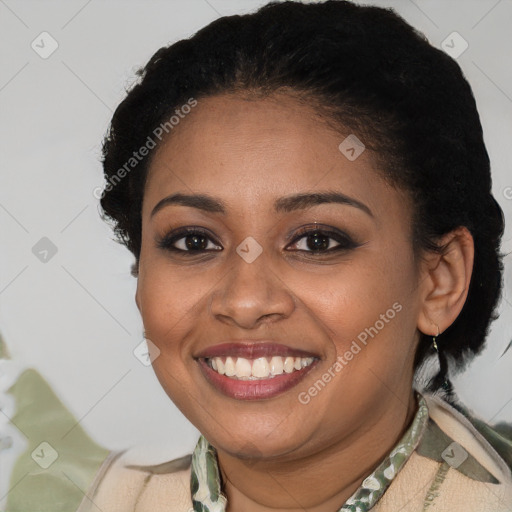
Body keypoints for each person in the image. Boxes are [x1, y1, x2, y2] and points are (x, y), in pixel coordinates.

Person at [77, 1, 512, 510]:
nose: (244, 302)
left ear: (439, 280)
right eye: (194, 241)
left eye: (317, 241)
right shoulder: (116, 493)